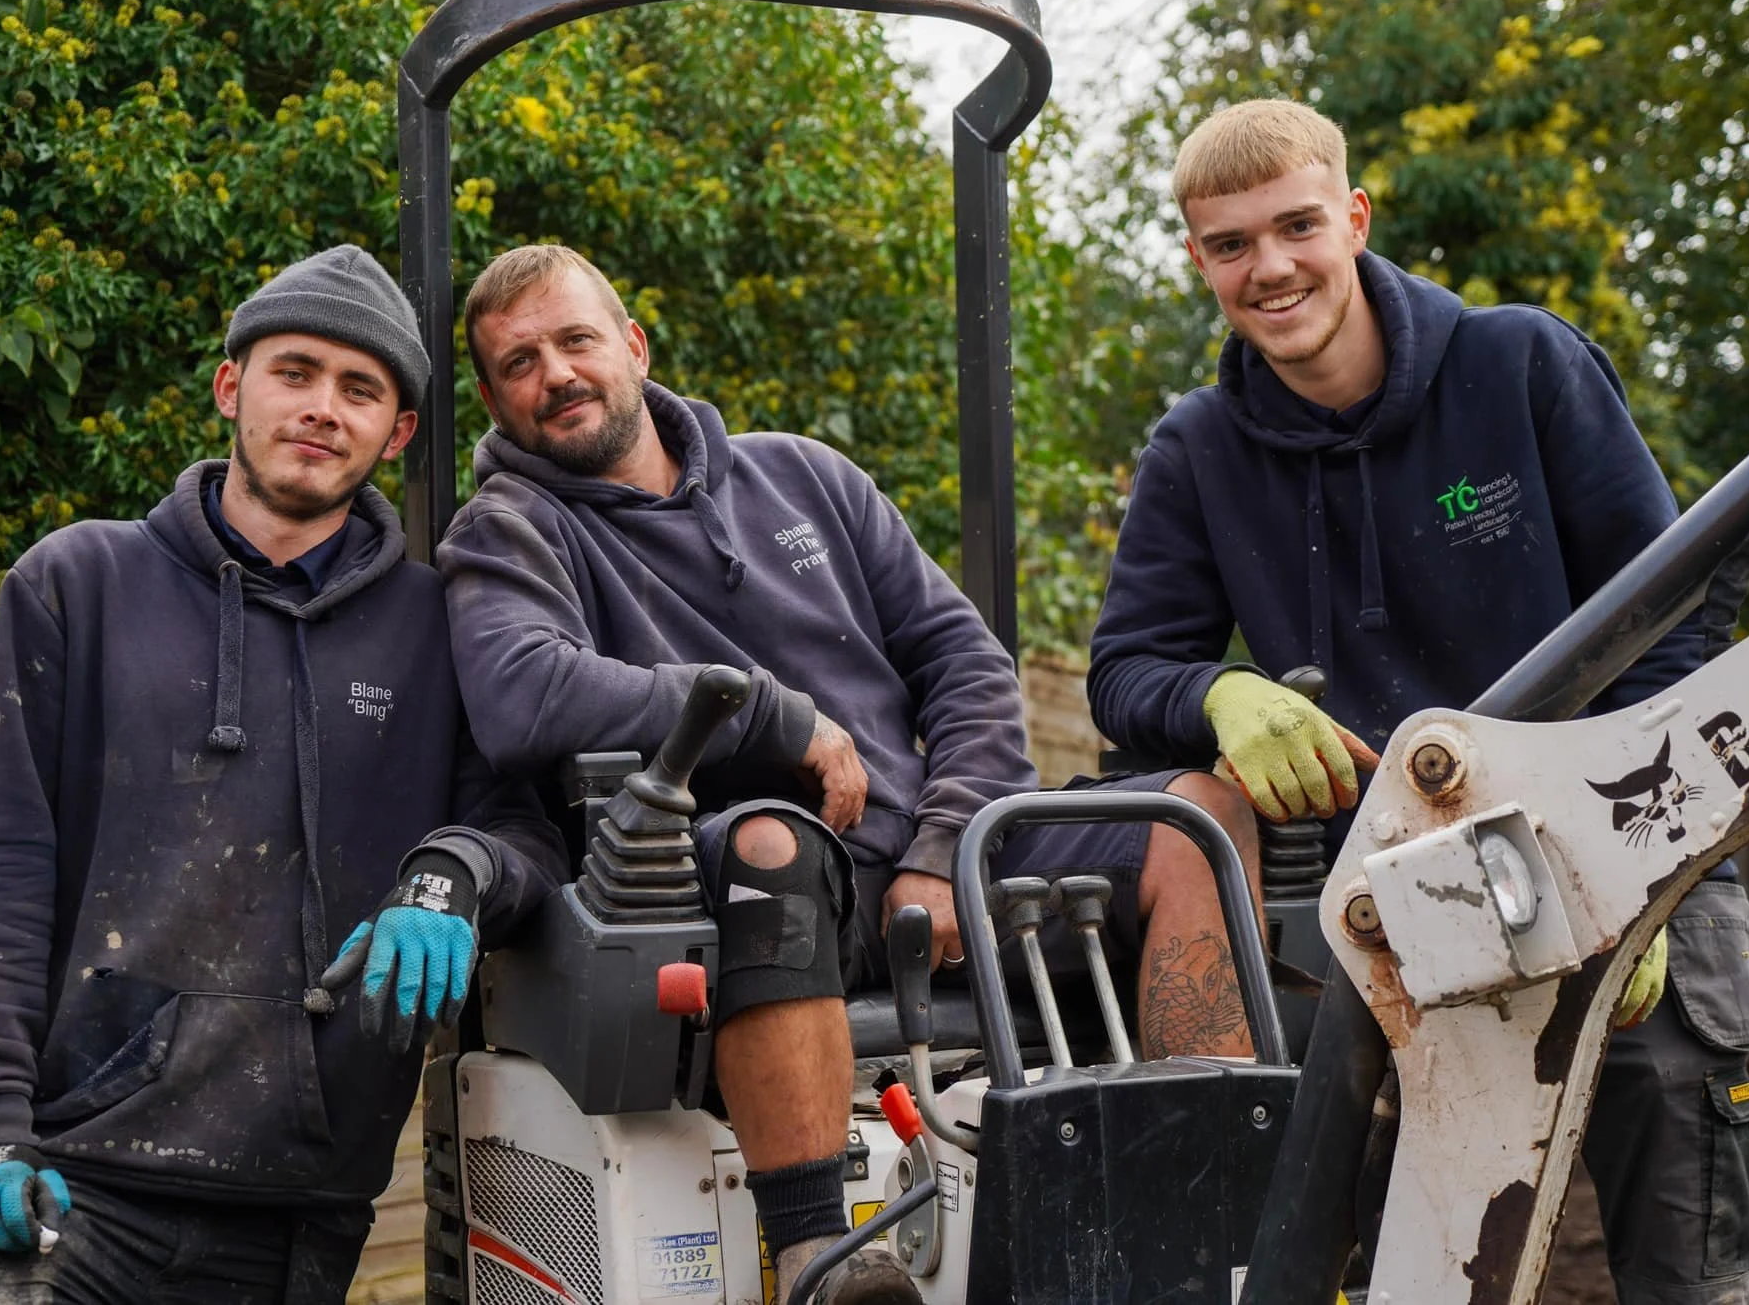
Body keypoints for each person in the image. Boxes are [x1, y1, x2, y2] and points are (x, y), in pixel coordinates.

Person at [439, 244, 1270, 1304]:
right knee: (768, 844)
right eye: (519, 363)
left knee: (1194, 817)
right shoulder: (509, 531)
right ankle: (823, 1260)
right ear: (492, 399)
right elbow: (523, 694)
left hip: (929, 859)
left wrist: (946, 843)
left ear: (634, 347)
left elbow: (963, 662)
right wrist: (772, 716)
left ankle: (1205, 1222)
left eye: (575, 341)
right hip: (736, 890)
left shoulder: (806, 477)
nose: (555, 374)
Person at [1088, 98, 1749, 1305]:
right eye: (1229, 244)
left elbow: (1672, 608)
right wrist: (1218, 691)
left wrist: (1651, 852)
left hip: (1619, 839)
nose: (1268, 267)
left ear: (1353, 218)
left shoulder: (1518, 365)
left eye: (1295, 225)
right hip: (1402, 904)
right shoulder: (1196, 451)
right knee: (1401, 1265)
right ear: (1196, 259)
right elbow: (1125, 670)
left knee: (1684, 1250)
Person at [0, 246, 569, 1302]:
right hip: (67, 1187)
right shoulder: (76, 584)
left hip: (301, 1213)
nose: (322, 408)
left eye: (360, 390)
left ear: (398, 432)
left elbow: (525, 832)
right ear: (231, 386)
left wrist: (452, 875)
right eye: (294, 373)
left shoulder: (438, 628)